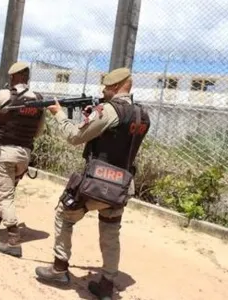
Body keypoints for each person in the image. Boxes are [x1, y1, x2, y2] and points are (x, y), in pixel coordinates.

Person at [35, 67, 151, 300]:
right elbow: (118, 140)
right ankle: (107, 283)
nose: (103, 90)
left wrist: (59, 114)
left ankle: (59, 269)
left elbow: (75, 137)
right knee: (110, 231)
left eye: (107, 87)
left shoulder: (108, 110)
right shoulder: (142, 115)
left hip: (98, 182)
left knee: (64, 214)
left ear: (117, 87)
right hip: (121, 185)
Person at [0, 62, 46, 258]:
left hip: (5, 152)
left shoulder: (3, 95)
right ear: (27, 77)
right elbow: (39, 131)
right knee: (7, 190)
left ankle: (13, 239)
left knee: (5, 194)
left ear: (13, 77)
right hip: (24, 154)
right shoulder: (39, 99)